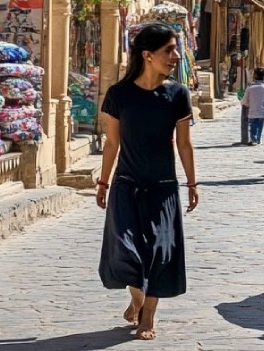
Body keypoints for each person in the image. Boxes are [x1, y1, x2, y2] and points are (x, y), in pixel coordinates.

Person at [97, 24, 198, 341]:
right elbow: (111, 144)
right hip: (126, 187)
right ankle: (138, 299)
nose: (175, 56)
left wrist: (192, 184)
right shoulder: (118, 95)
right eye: (168, 49)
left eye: (175, 48)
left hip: (163, 188)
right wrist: (102, 182)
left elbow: (183, 143)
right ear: (147, 55)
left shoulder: (177, 94)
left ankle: (148, 318)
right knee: (128, 253)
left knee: (159, 253)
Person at [242, 69, 264, 145]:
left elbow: (245, 101)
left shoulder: (250, 88)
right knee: (260, 127)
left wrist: (246, 105)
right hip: (262, 112)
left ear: (255, 76)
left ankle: (253, 139)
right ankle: (258, 139)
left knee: (253, 126)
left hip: (252, 111)